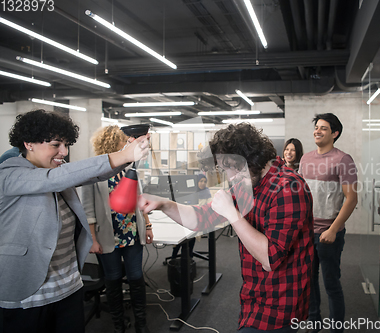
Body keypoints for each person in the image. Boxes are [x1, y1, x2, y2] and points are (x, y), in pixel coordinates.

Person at [138, 123, 314, 332]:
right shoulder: (246, 182)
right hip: (253, 295)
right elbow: (201, 219)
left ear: (251, 157)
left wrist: (232, 214)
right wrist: (164, 204)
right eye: (224, 169)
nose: (230, 177)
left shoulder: (289, 188)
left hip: (281, 303)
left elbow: (270, 258)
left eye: (232, 167)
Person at [0, 110, 149, 333]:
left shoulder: (57, 172)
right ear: (28, 143)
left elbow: (92, 175)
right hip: (28, 295)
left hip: (68, 288)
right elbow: (55, 179)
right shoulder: (9, 174)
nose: (64, 152)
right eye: (56, 144)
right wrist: (124, 155)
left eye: (66, 144)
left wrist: (128, 155)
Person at [81, 125, 153, 333]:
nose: (127, 143)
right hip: (107, 235)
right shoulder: (94, 170)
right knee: (112, 281)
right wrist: (93, 239)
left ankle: (141, 324)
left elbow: (140, 199)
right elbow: (88, 210)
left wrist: (147, 225)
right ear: (114, 142)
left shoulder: (129, 167)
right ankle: (118, 325)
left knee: (136, 278)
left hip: (132, 232)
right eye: (124, 140)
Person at [299, 113, 358, 333]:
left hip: (329, 234)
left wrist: (333, 229)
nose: (317, 131)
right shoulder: (305, 159)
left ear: (335, 133)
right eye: (316, 127)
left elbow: (352, 199)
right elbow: (301, 195)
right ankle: (314, 324)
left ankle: (336, 329)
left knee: (331, 284)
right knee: (309, 283)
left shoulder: (344, 160)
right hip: (306, 232)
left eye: (323, 128)